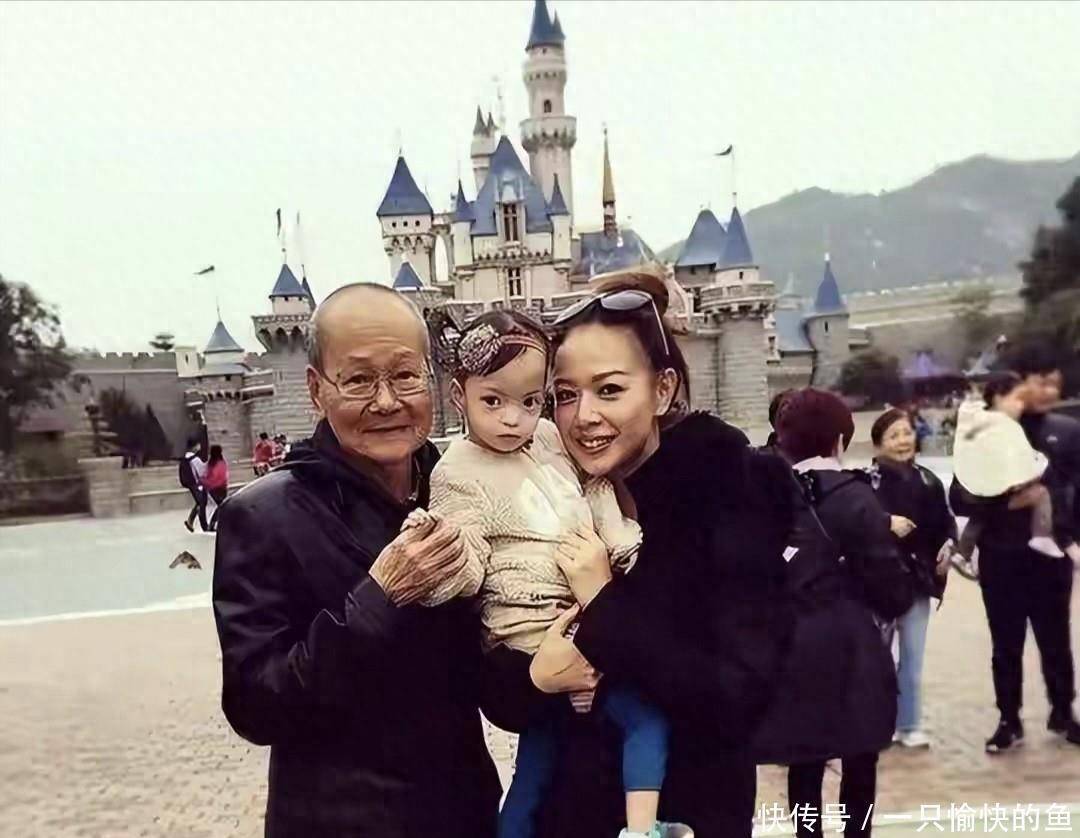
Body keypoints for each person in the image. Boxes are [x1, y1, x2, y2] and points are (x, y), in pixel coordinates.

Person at [480, 269, 795, 838]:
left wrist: (604, 603)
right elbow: (500, 684)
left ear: (663, 389)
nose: (584, 416)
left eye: (609, 390)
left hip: (686, 810)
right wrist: (534, 680)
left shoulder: (725, 492)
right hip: (566, 813)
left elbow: (739, 696)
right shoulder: (544, 491)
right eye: (565, 396)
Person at [211, 283, 501, 837]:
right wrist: (379, 599)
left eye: (405, 376)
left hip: (465, 818)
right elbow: (255, 707)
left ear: (431, 381)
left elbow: (488, 683)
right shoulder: (265, 516)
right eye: (360, 380)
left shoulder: (461, 492)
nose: (387, 401)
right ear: (316, 390)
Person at [415, 309, 680, 838]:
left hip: (577, 624)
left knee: (541, 765)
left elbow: (593, 490)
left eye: (531, 401)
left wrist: (617, 544)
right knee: (629, 727)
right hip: (535, 631)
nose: (513, 419)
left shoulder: (549, 440)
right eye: (493, 401)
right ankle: (641, 830)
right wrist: (439, 555)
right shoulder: (456, 472)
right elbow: (466, 561)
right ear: (459, 396)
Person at [758, 389, 913, 837]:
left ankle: (807, 833)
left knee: (805, 759)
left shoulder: (766, 495)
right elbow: (890, 586)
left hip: (790, 644)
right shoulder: (856, 496)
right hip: (851, 645)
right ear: (839, 441)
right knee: (860, 756)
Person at [950, 344, 1080, 751]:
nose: (1048, 391)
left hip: (1051, 557)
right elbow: (959, 496)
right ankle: (1009, 718)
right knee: (1005, 642)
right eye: (1040, 382)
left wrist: (1070, 538)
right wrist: (1001, 503)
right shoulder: (984, 433)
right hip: (1001, 555)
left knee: (1056, 638)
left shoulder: (1067, 432)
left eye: (1054, 383)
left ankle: (1064, 711)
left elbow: (1075, 492)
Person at [867, 408, 957, 749]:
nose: (903, 441)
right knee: (878, 659)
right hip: (879, 583)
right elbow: (857, 525)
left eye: (906, 433)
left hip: (918, 582)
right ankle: (881, 723)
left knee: (912, 658)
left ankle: (910, 724)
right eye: (893, 436)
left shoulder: (929, 481)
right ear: (878, 444)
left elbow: (946, 523)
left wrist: (949, 544)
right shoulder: (866, 482)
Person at [954, 374, 1063, 561]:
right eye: (1018, 399)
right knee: (1039, 494)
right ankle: (1041, 537)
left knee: (980, 518)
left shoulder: (982, 424)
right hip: (998, 534)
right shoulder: (996, 429)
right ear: (998, 397)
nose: (1021, 406)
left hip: (1007, 527)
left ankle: (962, 554)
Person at [179, 436, 209, 533]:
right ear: (194, 446)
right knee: (201, 503)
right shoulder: (195, 459)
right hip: (196, 484)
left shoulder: (185, 458)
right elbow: (202, 472)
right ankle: (204, 525)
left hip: (190, 483)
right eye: (198, 444)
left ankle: (190, 522)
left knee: (200, 502)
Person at [203, 444, 230, 531]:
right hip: (220, 488)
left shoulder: (210, 463)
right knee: (222, 506)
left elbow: (207, 475)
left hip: (212, 488)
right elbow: (223, 477)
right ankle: (213, 523)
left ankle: (215, 523)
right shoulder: (220, 463)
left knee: (221, 506)